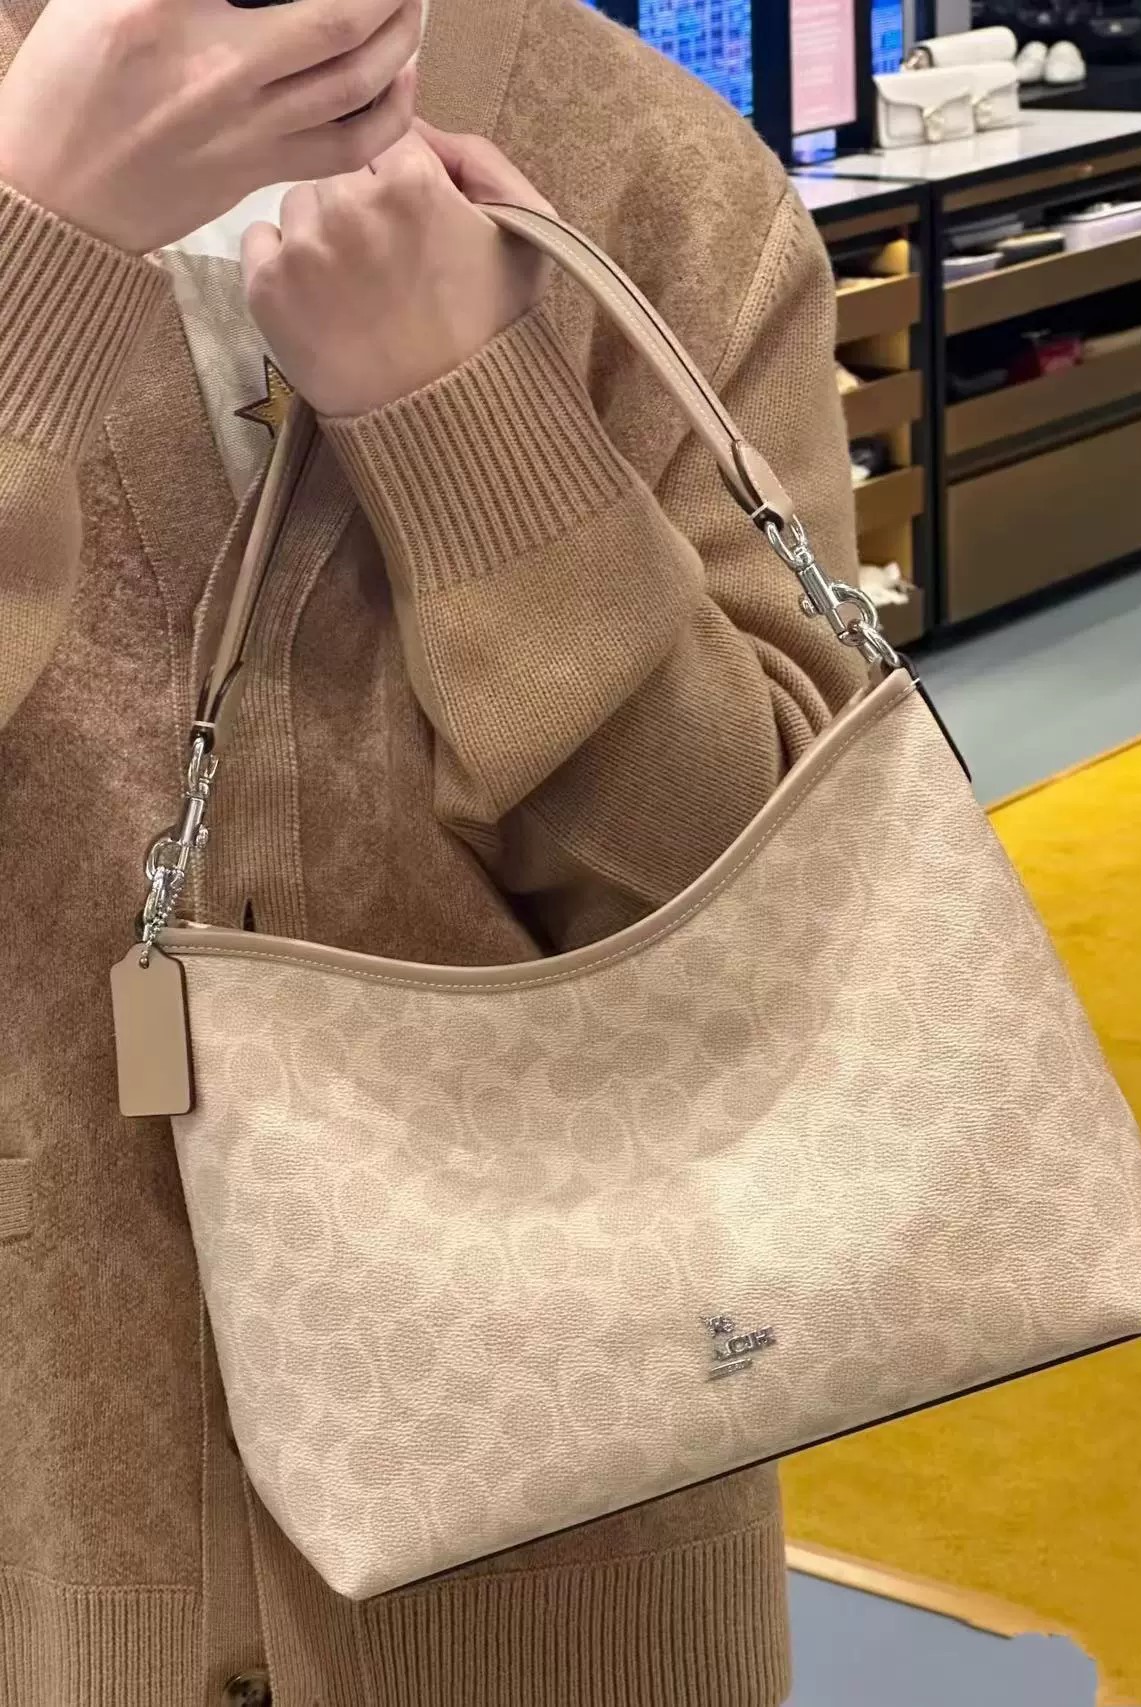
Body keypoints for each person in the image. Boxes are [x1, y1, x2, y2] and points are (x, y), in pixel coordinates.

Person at [0, 0, 866, 1702]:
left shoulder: (653, 171)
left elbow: (773, 908)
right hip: (50, 1522)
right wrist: (34, 244)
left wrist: (473, 424)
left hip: (562, 1558)